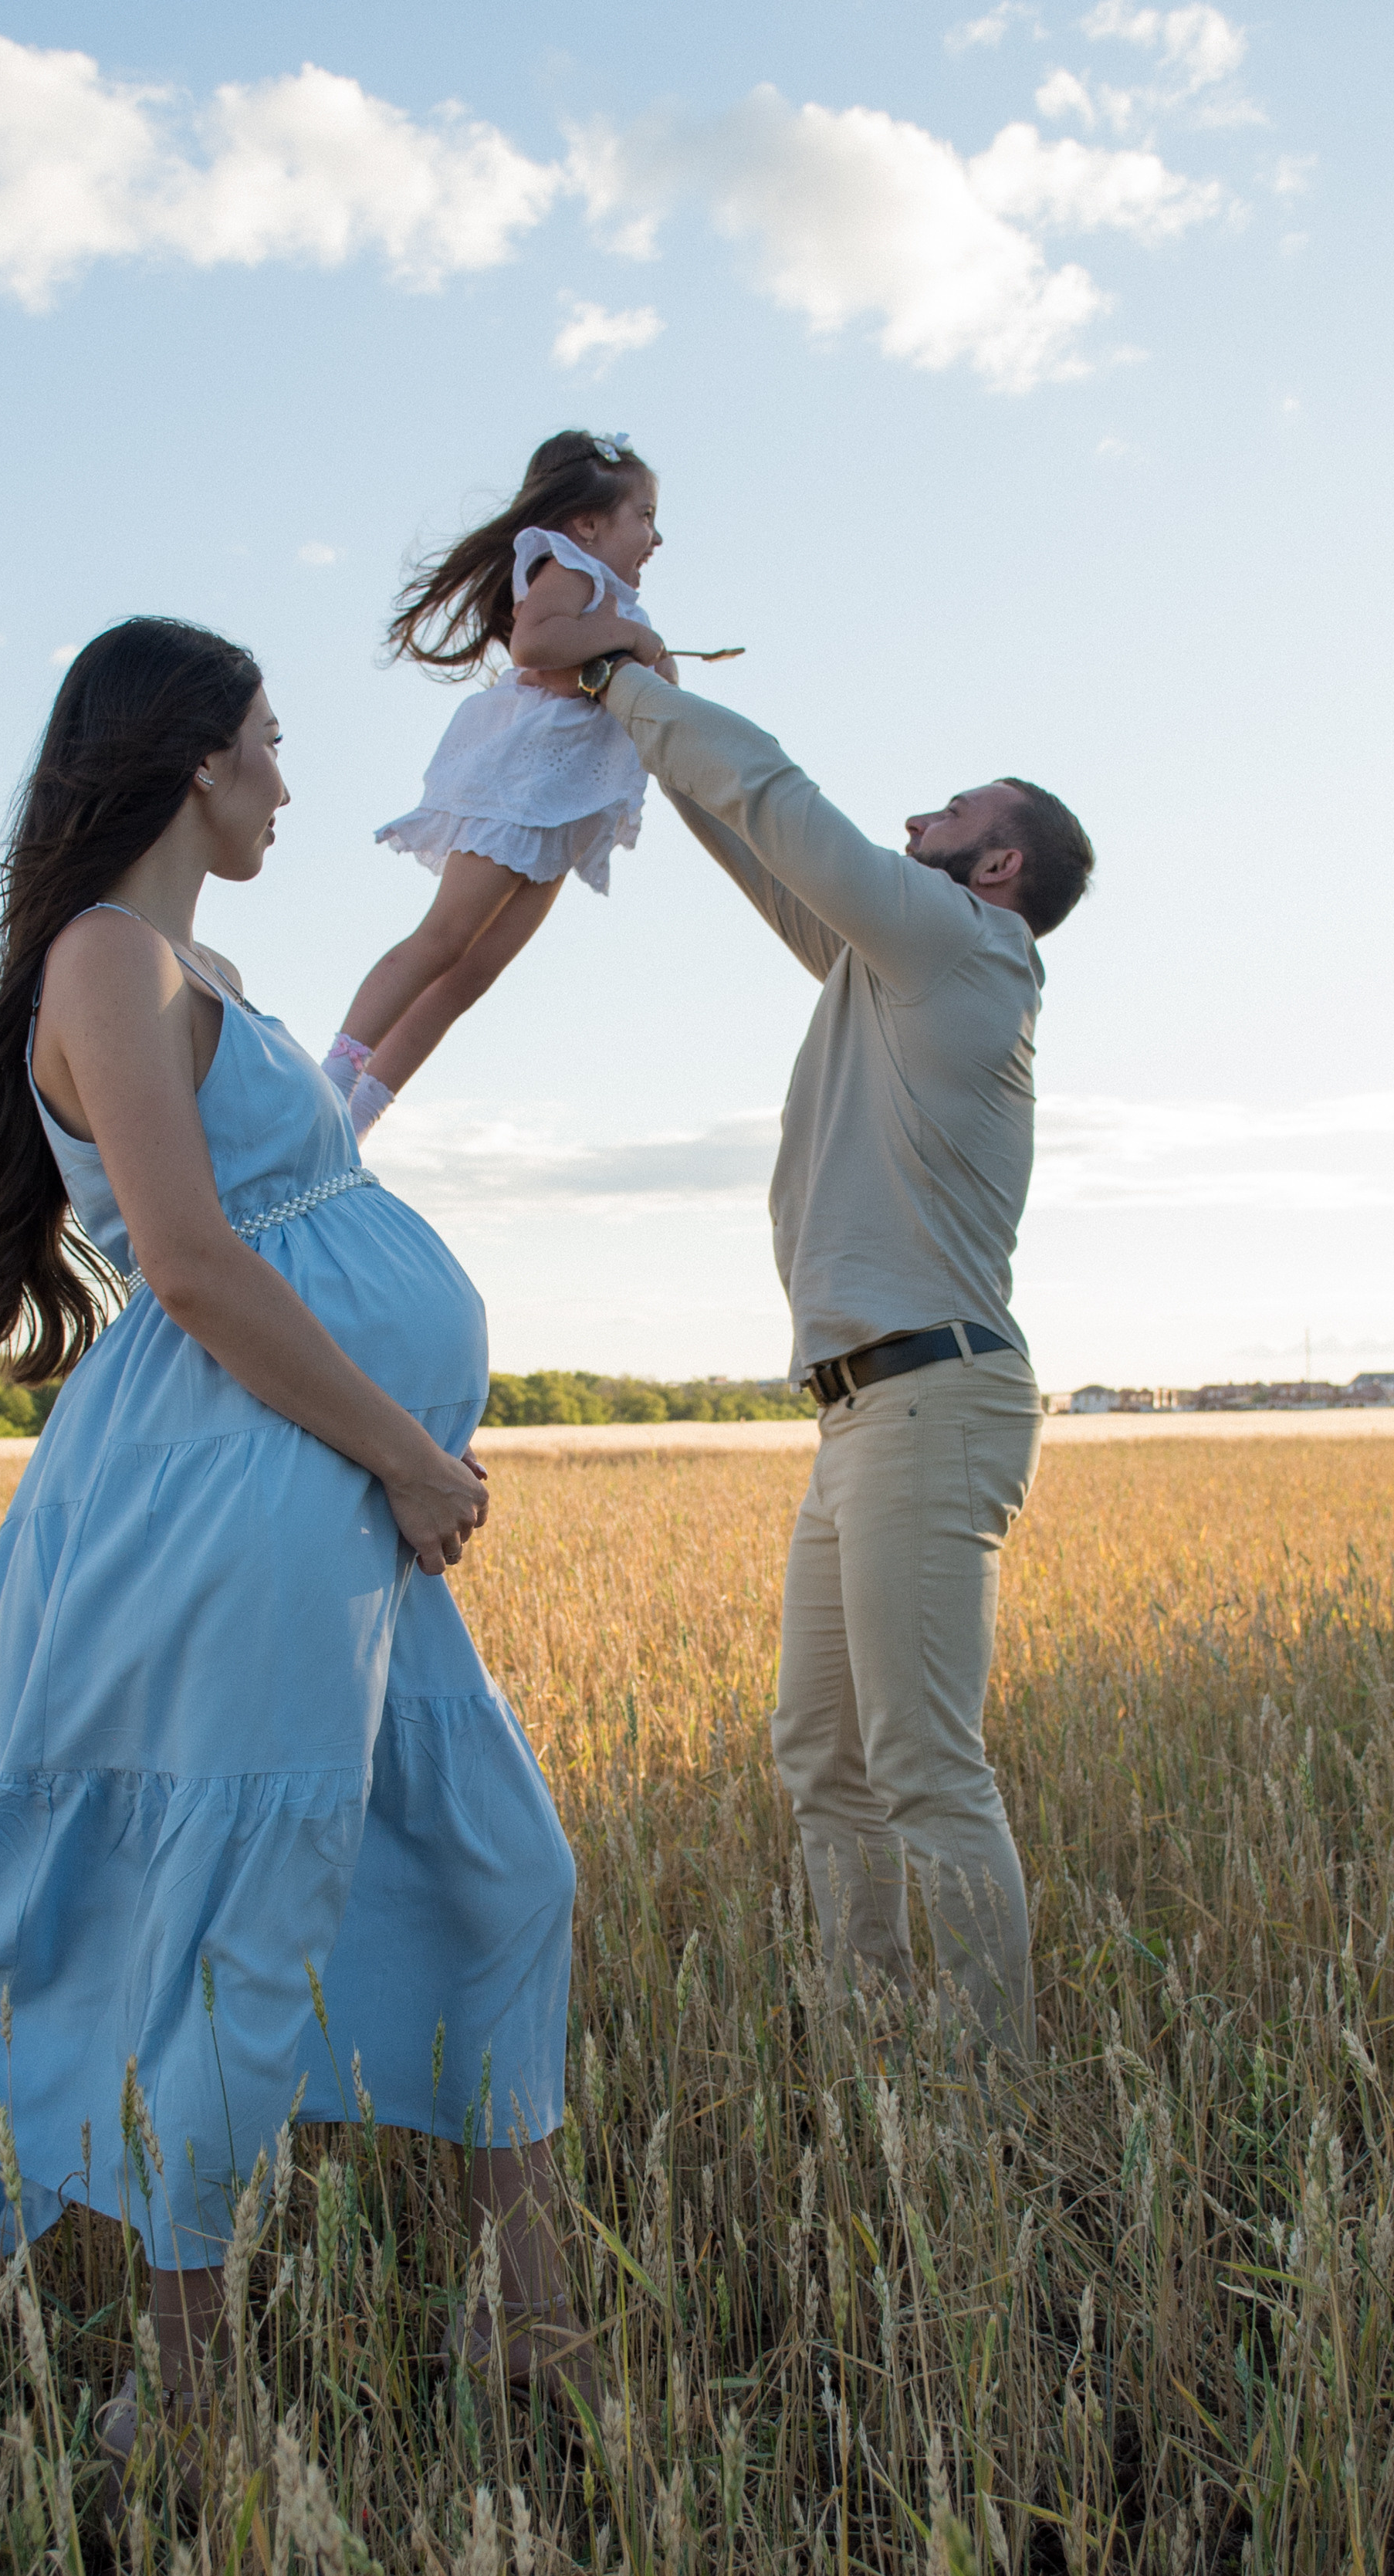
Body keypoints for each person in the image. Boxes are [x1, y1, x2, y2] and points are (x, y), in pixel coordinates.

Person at [0, 618, 589, 2481]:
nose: (285, 774)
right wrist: (409, 1455)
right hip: (255, 1484)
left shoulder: (195, 964)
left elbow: (364, 1078)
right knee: (239, 1935)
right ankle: (179, 2401)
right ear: (192, 761)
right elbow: (186, 1261)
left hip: (309, 1478)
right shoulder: (106, 956)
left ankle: (530, 2305)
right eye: (268, 741)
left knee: (504, 1864)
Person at [554, 651, 1094, 2057]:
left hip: (934, 1396)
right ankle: (866, 2044)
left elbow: (788, 808)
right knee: (823, 1756)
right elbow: (768, 855)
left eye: (950, 811)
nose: (917, 818)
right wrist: (651, 736)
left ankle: (989, 2085)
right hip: (862, 1412)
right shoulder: (897, 966)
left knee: (923, 1764)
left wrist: (621, 672)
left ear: (999, 863)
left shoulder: (964, 949)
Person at [320, 429, 675, 1139]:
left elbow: (657, 692)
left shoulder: (613, 605)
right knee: (443, 941)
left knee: (471, 975)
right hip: (522, 786)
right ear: (588, 523)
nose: (656, 537)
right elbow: (535, 646)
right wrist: (632, 642)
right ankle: (327, 1085)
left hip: (560, 806)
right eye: (645, 516)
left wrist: (645, 650)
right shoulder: (573, 571)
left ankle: (357, 1119)